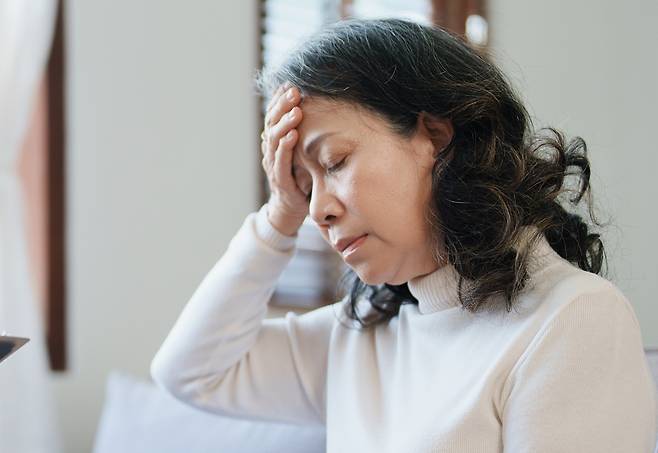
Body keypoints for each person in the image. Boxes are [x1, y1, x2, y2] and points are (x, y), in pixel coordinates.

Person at [150, 19, 657, 452]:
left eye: (335, 163)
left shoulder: (571, 317)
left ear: (434, 135)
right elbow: (189, 373)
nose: (318, 211)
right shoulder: (361, 335)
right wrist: (278, 215)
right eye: (305, 187)